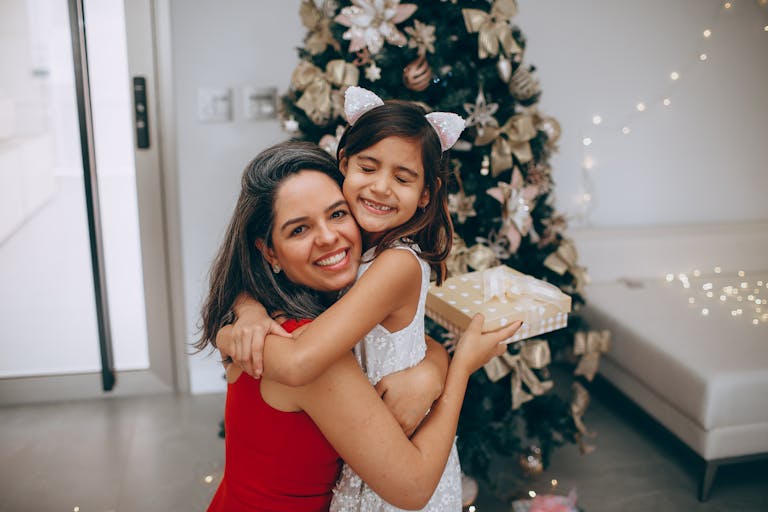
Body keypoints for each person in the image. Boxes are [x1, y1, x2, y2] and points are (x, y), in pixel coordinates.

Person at [218, 87, 502, 511]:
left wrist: (438, 367)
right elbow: (301, 362)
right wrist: (237, 320)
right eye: (299, 229)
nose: (330, 237)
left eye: (336, 214)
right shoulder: (334, 290)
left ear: (426, 193)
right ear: (346, 166)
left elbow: (397, 341)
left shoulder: (389, 263)